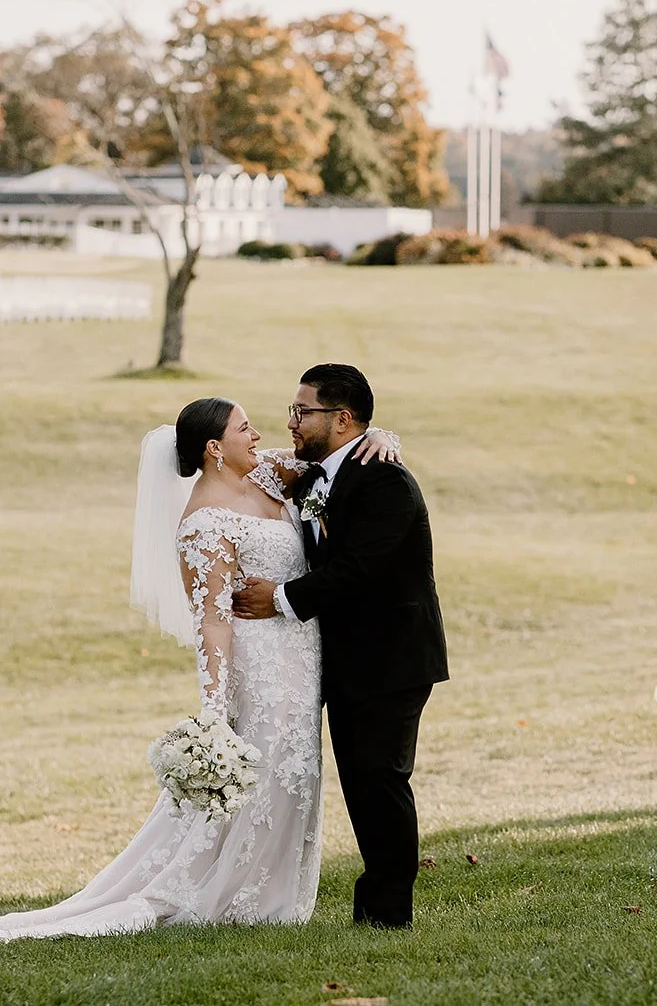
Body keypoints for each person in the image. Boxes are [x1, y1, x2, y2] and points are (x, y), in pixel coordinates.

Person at [0, 397, 400, 944]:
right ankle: (239, 899)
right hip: (260, 665)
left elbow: (339, 456)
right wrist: (214, 706)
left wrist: (382, 436)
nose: (259, 436)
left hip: (302, 658)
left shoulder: (271, 476)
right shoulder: (202, 525)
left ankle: (274, 895)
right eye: (245, 429)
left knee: (294, 776)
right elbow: (212, 622)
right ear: (213, 448)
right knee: (265, 774)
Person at [233, 363, 448, 929]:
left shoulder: (385, 480)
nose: (292, 422)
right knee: (360, 782)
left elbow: (361, 569)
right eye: (293, 411)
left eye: (303, 412)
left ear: (343, 418)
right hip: (345, 661)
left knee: (381, 779)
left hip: (391, 659)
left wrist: (280, 598)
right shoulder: (312, 476)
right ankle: (374, 905)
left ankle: (388, 912)